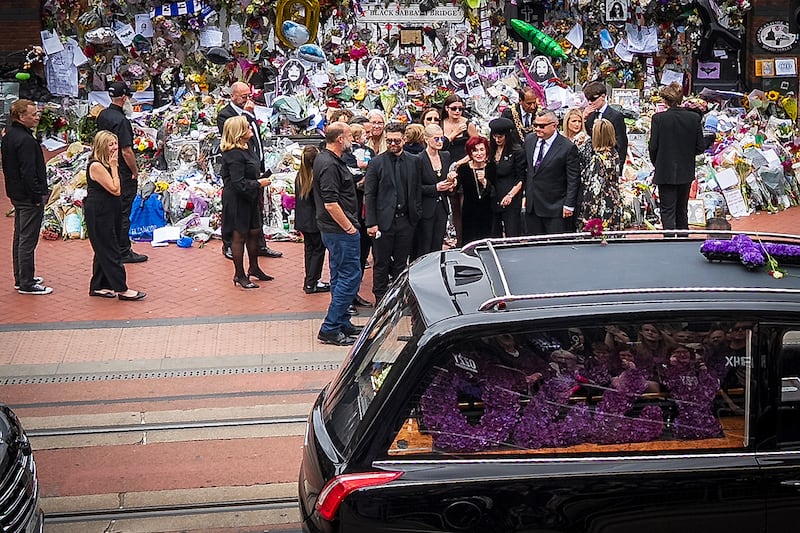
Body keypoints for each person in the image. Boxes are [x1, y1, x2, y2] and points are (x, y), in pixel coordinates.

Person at [216, 81, 283, 260]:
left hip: (254, 165)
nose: (247, 100)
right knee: (234, 212)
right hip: (240, 168)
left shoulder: (250, 114)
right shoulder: (225, 115)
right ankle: (229, 245)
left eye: (249, 96)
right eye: (244, 96)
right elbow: (232, 137)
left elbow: (254, 136)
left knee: (257, 209)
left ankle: (259, 244)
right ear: (233, 96)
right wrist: (247, 114)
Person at [313, 122, 363, 346]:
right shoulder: (328, 164)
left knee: (339, 275)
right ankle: (330, 326)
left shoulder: (331, 160)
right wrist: (349, 228)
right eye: (350, 136)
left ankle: (342, 321)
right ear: (340, 139)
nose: (352, 140)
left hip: (336, 229)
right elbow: (331, 203)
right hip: (339, 230)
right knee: (349, 276)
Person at [84, 131, 147, 301]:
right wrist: (114, 167)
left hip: (111, 210)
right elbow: (115, 189)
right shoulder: (97, 166)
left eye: (115, 143)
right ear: (102, 146)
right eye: (110, 144)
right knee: (110, 249)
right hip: (99, 212)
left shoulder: (107, 163)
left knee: (103, 248)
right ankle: (122, 288)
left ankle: (99, 285)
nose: (115, 147)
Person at [364, 122, 422, 304]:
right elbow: (370, 194)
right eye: (389, 141)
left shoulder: (414, 161)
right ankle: (380, 298)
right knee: (381, 263)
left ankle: (398, 297)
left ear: (404, 139)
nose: (392, 144)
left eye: (396, 140)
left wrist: (416, 213)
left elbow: (417, 189)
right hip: (383, 221)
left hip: (406, 220)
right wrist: (371, 222)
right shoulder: (376, 163)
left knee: (400, 262)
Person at [2, 99, 52, 294]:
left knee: (19, 236)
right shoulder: (26, 141)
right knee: (27, 239)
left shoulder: (9, 135)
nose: (37, 117)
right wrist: (38, 195)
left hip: (16, 194)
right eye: (33, 114)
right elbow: (29, 172)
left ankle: (20, 276)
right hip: (28, 197)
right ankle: (27, 282)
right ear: (21, 117)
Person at [96, 81, 148, 264]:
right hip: (121, 170)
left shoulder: (103, 115)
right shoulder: (122, 121)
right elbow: (126, 150)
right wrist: (135, 171)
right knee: (123, 211)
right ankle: (124, 250)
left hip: (105, 167)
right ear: (124, 98)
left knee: (113, 210)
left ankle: (115, 246)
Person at [648, 82, 711, 233]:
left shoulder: (658, 119)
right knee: (682, 209)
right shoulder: (693, 118)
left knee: (667, 210)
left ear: (665, 101)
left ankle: (669, 239)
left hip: (665, 170)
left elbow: (653, 147)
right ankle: (683, 238)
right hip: (685, 169)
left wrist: (658, 163)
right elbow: (699, 147)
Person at [219, 116, 274, 289]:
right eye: (247, 126)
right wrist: (259, 183)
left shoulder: (247, 147)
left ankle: (254, 267)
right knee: (239, 235)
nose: (251, 127)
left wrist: (260, 178)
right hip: (237, 199)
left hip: (250, 197)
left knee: (254, 231)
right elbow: (238, 183)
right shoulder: (234, 154)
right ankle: (239, 274)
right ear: (238, 132)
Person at [523, 110, 580, 235]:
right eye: (535, 125)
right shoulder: (530, 140)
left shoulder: (567, 147)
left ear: (554, 125)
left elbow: (573, 179)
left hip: (555, 208)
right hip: (533, 207)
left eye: (542, 126)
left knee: (556, 247)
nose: (538, 129)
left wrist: (569, 205)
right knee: (534, 245)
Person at [413, 123, 455, 259]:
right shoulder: (418, 159)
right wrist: (435, 188)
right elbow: (415, 187)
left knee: (438, 245)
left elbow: (448, 180)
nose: (440, 142)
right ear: (426, 139)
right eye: (436, 139)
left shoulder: (446, 156)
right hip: (425, 208)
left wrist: (451, 183)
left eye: (441, 138)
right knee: (424, 246)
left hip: (441, 207)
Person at [442, 95, 478, 245]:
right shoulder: (440, 123)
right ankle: (457, 240)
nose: (457, 111)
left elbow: (478, 146)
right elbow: (440, 145)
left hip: (464, 168)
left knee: (465, 207)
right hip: (446, 168)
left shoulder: (468, 124)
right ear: (446, 109)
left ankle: (467, 240)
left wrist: (462, 162)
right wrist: (454, 133)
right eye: (454, 108)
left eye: (460, 109)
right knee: (453, 208)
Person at [294, 146, 331, 295]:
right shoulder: (315, 177)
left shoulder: (300, 176)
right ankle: (312, 281)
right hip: (314, 220)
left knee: (309, 250)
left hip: (303, 220)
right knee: (318, 250)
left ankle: (309, 280)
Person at [579, 118, 622, 231]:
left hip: (601, 207)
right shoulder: (614, 154)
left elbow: (594, 190)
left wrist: (588, 215)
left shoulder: (597, 159)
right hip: (614, 201)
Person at [487, 117, 526, 238]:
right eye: (495, 137)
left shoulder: (517, 151)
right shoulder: (491, 150)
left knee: (512, 231)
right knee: (494, 232)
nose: (497, 140)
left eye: (500, 137)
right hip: (494, 195)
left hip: (511, 194)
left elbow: (521, 178)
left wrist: (510, 195)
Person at [583, 80, 628, 176]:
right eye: (588, 100)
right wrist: (585, 120)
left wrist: (619, 166)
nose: (590, 102)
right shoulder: (590, 115)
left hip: (610, 161)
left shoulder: (615, 116)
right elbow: (588, 137)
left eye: (593, 99)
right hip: (594, 162)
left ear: (603, 97)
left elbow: (622, 143)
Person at [458, 136, 494, 244]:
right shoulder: (463, 169)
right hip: (469, 211)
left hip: (488, 211)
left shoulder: (492, 167)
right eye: (475, 150)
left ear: (486, 151)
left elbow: (494, 191)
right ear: (470, 153)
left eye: (481, 150)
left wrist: (484, 181)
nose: (479, 154)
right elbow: (454, 189)